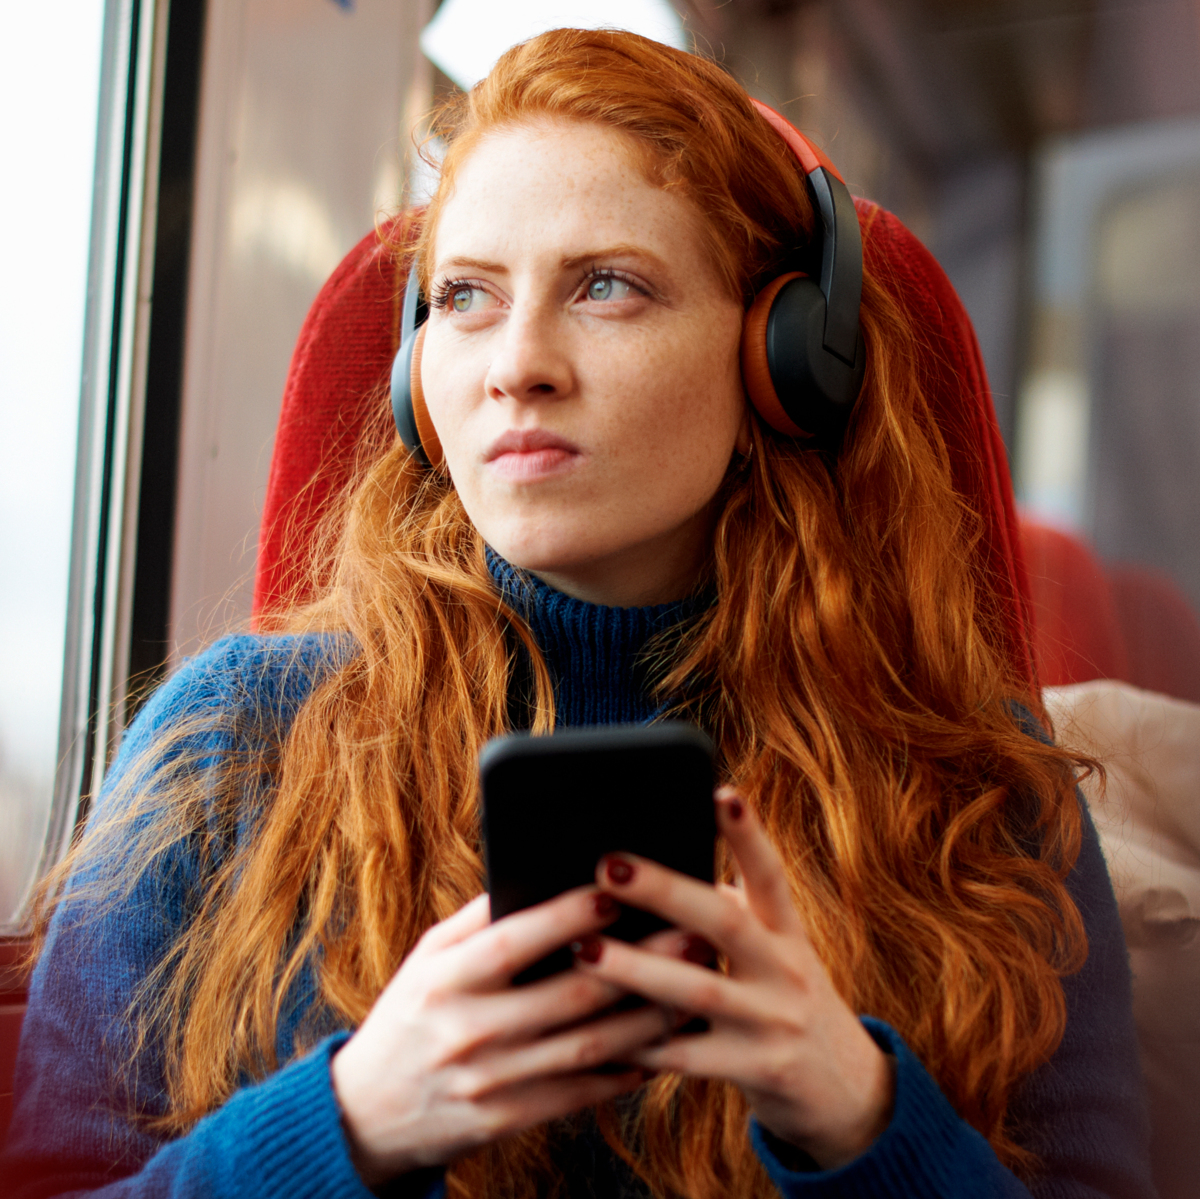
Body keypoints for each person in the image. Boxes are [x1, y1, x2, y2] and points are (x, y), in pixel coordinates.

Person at [3, 28, 1156, 1199]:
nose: (517, 365)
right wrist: (349, 1120)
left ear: (784, 354)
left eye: (606, 285)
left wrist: (859, 1114)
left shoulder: (982, 786)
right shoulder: (232, 742)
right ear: (416, 376)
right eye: (466, 297)